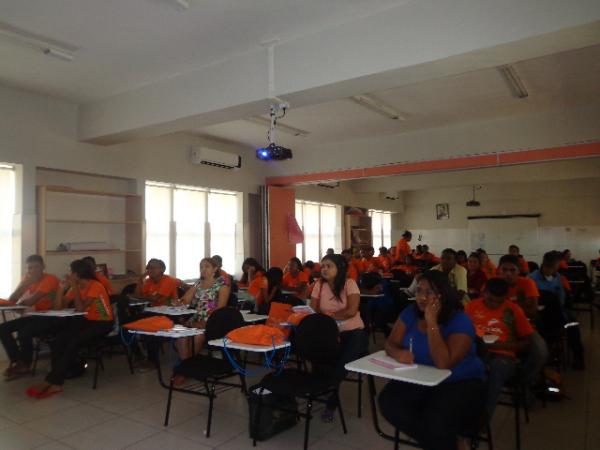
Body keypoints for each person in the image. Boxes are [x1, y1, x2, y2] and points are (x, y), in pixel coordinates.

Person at [378, 271, 485, 450]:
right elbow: (390, 343)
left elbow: (443, 363)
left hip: (459, 381)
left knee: (436, 416)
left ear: (443, 294)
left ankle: (442, 441)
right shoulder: (410, 313)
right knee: (388, 402)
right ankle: (449, 443)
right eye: (419, 291)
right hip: (420, 376)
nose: (421, 297)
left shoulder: (460, 320)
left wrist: (431, 322)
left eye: (429, 292)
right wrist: (398, 353)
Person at [27, 259, 113, 398]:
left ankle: (55, 382)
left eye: (70, 272)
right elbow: (58, 307)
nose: (68, 274)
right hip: (87, 320)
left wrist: (73, 285)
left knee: (72, 342)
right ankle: (54, 378)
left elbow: (80, 308)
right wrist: (61, 288)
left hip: (103, 322)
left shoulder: (96, 286)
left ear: (77, 274)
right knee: (58, 340)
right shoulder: (76, 286)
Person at [311, 254, 368, 422]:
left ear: (340, 268)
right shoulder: (319, 285)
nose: (324, 269)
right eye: (322, 266)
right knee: (319, 357)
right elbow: (313, 310)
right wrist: (328, 319)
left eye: (329, 266)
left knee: (340, 364)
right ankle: (328, 387)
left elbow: (351, 311)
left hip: (352, 333)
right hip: (329, 332)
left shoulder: (349, 284)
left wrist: (329, 317)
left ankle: (330, 400)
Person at [465, 278, 533, 418]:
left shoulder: (514, 310)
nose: (494, 305)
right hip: (474, 350)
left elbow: (527, 342)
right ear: (483, 293)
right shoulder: (471, 306)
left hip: (503, 355)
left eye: (499, 301)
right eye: (490, 300)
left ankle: (481, 420)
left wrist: (498, 346)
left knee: (496, 372)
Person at [0, 255, 60, 380]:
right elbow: (12, 299)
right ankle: (19, 363)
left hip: (51, 317)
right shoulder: (27, 279)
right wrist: (23, 285)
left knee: (24, 332)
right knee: (3, 328)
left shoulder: (50, 279)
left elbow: (31, 301)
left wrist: (17, 304)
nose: (32, 271)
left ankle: (25, 364)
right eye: (29, 268)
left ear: (43, 267)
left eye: (35, 267)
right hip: (36, 316)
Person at [497, 254, 548, 386]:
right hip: (496, 326)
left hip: (524, 326)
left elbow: (532, 311)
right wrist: (519, 306)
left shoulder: (527, 283)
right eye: (504, 270)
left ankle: (521, 382)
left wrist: (506, 308)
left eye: (512, 270)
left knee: (540, 352)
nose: (508, 274)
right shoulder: (492, 284)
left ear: (519, 270)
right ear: (498, 270)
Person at [530, 252, 585, 370]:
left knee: (573, 324)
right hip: (539, 312)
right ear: (544, 265)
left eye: (555, 267)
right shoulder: (531, 278)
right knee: (551, 323)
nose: (553, 270)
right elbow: (529, 299)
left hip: (558, 311)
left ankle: (578, 355)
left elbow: (562, 297)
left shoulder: (558, 277)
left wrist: (559, 304)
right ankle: (549, 351)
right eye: (550, 267)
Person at [177, 258, 231, 361]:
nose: (203, 269)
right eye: (201, 267)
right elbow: (186, 299)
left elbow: (221, 308)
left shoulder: (222, 282)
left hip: (213, 320)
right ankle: (186, 367)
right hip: (195, 319)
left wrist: (205, 322)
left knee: (197, 337)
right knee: (182, 336)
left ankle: (185, 368)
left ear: (215, 268)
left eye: (207, 266)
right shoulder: (198, 283)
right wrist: (179, 302)